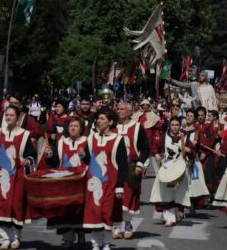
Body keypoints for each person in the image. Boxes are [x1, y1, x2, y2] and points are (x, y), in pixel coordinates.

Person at [0, 106, 36, 249]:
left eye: (11, 115)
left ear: (17, 118)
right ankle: (4, 238)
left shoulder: (25, 134)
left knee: (16, 207)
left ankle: (15, 237)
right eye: (6, 115)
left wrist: (27, 160)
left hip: (18, 178)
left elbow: (32, 154)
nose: (8, 118)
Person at [83, 108, 127, 250]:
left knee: (107, 214)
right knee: (94, 214)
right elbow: (87, 161)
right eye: (97, 118)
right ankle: (95, 244)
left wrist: (120, 186)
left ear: (111, 122)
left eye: (102, 119)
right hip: (93, 184)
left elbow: (123, 165)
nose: (98, 121)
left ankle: (106, 243)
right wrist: (82, 155)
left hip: (110, 184)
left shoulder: (118, 139)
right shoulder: (90, 138)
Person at [44, 115, 88, 249]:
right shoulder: (61, 142)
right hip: (65, 183)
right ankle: (67, 239)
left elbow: (93, 161)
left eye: (76, 126)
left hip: (82, 182)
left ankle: (81, 234)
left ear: (81, 129)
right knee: (66, 212)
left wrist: (84, 156)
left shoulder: (88, 141)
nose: (73, 128)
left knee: (80, 211)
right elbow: (53, 162)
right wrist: (49, 154)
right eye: (70, 126)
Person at [111, 101, 149, 239]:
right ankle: (116, 226)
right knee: (114, 198)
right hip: (114, 167)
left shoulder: (137, 127)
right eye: (117, 108)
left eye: (121, 109)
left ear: (129, 111)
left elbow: (145, 148)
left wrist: (140, 163)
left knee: (127, 197)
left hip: (131, 167)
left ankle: (127, 225)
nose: (118, 111)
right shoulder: (111, 126)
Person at [150, 116, 192, 227]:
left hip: (180, 170)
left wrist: (189, 150)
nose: (174, 127)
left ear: (180, 126)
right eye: (172, 125)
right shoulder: (164, 137)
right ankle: (169, 218)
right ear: (169, 125)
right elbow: (154, 147)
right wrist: (157, 154)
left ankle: (176, 215)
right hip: (167, 168)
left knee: (178, 194)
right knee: (166, 193)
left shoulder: (185, 137)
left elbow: (193, 152)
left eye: (177, 125)